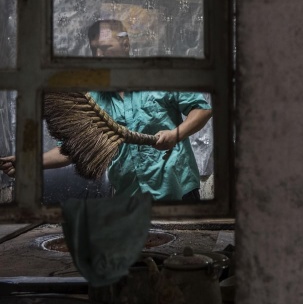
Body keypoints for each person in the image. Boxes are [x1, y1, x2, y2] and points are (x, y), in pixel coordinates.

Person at [1, 19, 213, 202]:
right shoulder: (92, 98)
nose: (99, 55)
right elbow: (71, 150)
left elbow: (201, 110)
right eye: (95, 49)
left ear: (126, 43)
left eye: (105, 47)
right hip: (128, 197)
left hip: (177, 190)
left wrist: (176, 134)